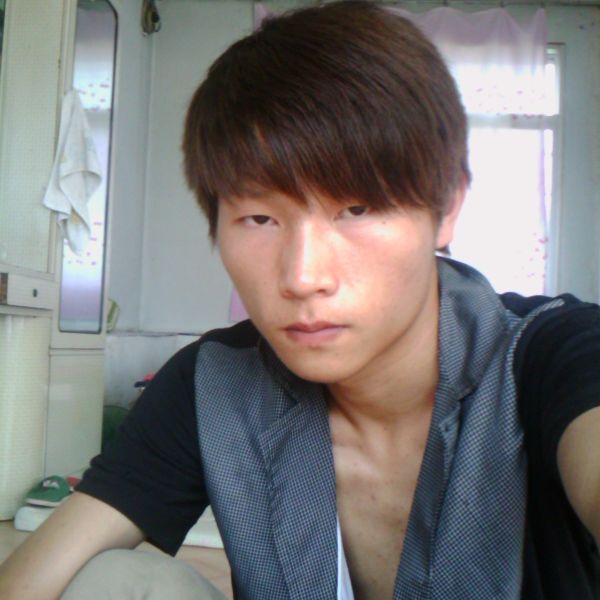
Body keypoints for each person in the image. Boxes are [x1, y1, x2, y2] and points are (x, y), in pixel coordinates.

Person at [1, 1, 599, 599]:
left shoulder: (553, 357)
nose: (303, 276)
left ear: (447, 207)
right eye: (259, 218)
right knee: (113, 582)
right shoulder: (214, 385)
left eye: (357, 209)